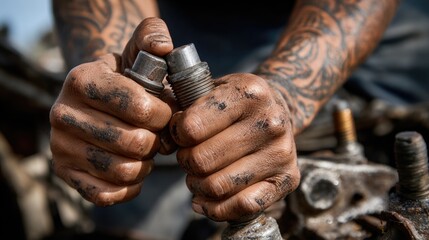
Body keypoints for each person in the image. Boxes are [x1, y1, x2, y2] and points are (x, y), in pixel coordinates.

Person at [49, 0, 402, 239]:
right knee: (131, 199)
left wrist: (288, 95)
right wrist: (115, 98)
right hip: (191, 28)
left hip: (364, 40)